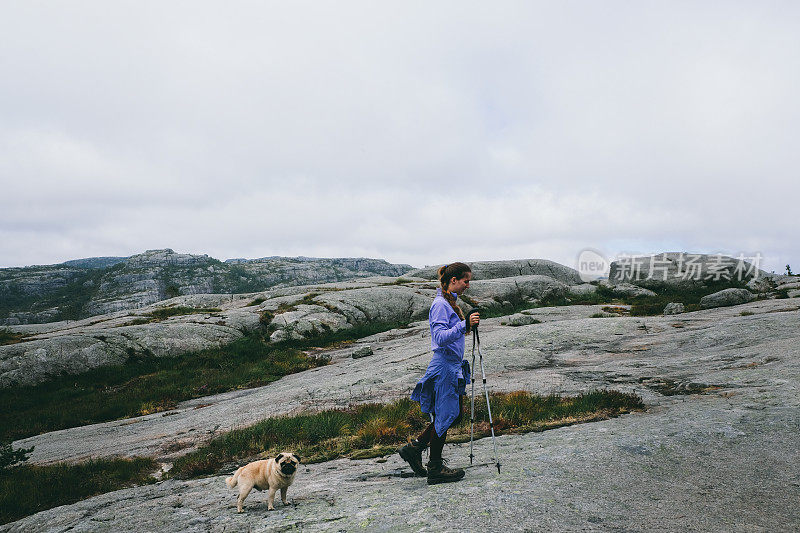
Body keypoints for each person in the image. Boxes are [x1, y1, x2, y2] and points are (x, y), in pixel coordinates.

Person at [398, 262, 480, 484]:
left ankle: (414, 449)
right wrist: (464, 326)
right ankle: (434, 467)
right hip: (444, 366)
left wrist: (467, 325)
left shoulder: (450, 303)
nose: (467, 285)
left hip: (451, 365)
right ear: (453, 280)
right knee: (446, 415)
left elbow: (450, 334)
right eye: (465, 281)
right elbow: (440, 337)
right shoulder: (440, 305)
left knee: (453, 414)